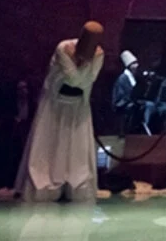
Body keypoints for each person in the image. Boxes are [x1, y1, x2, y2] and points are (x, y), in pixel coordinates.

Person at [16, 22, 105, 202]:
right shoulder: (63, 48)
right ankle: (47, 184)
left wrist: (88, 63)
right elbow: (74, 78)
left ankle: (75, 185)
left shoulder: (98, 54)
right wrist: (85, 66)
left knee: (76, 148)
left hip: (78, 106)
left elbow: (89, 80)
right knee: (50, 142)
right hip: (55, 105)